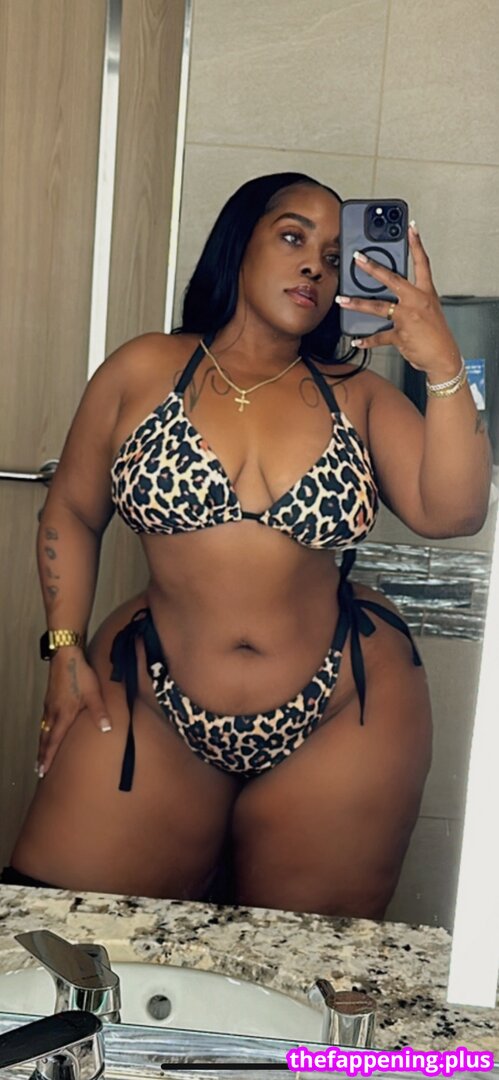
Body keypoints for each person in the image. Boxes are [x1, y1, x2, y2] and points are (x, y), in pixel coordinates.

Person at [3, 173, 491, 916]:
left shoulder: (357, 394)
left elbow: (453, 513)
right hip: (152, 700)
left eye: (335, 257)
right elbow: (71, 509)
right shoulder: (144, 368)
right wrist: (65, 649)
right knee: (53, 929)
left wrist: (442, 363)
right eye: (293, 237)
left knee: (303, 960)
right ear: (239, 244)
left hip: (344, 707)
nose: (315, 265)